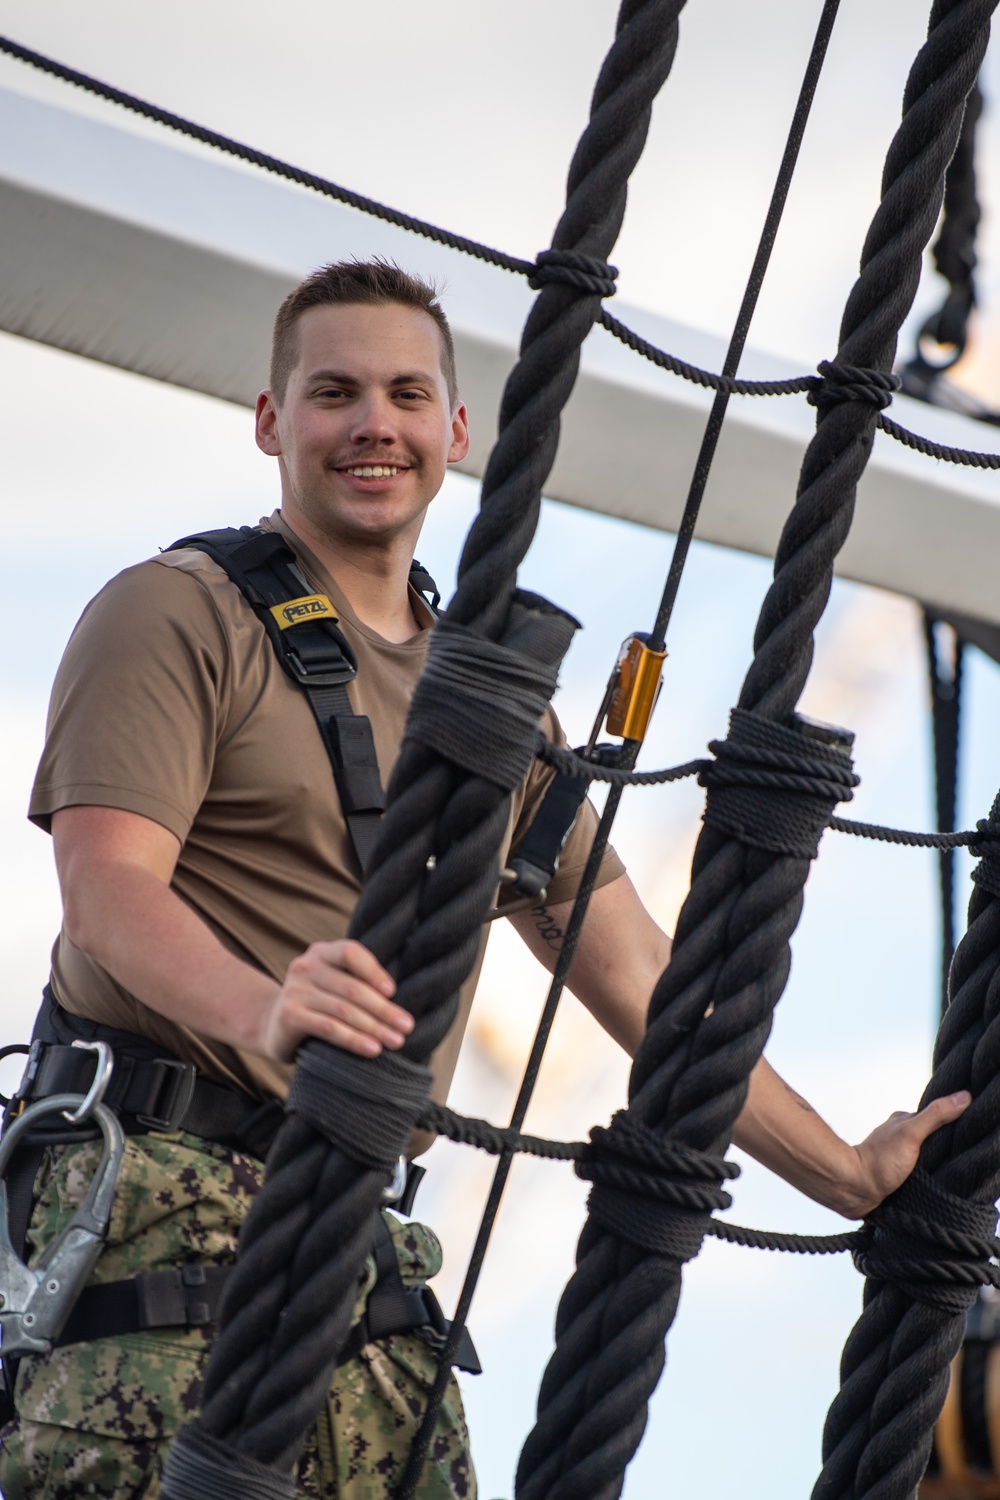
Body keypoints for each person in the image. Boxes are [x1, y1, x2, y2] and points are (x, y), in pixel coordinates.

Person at [0, 260, 969, 1500]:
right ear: (269, 421)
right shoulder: (174, 615)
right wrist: (265, 1007)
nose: (374, 425)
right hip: (160, 1222)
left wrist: (839, 1170)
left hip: (365, 1257)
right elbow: (107, 891)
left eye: (408, 395)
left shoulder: (492, 703)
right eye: (334, 392)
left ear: (456, 432)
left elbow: (635, 978)